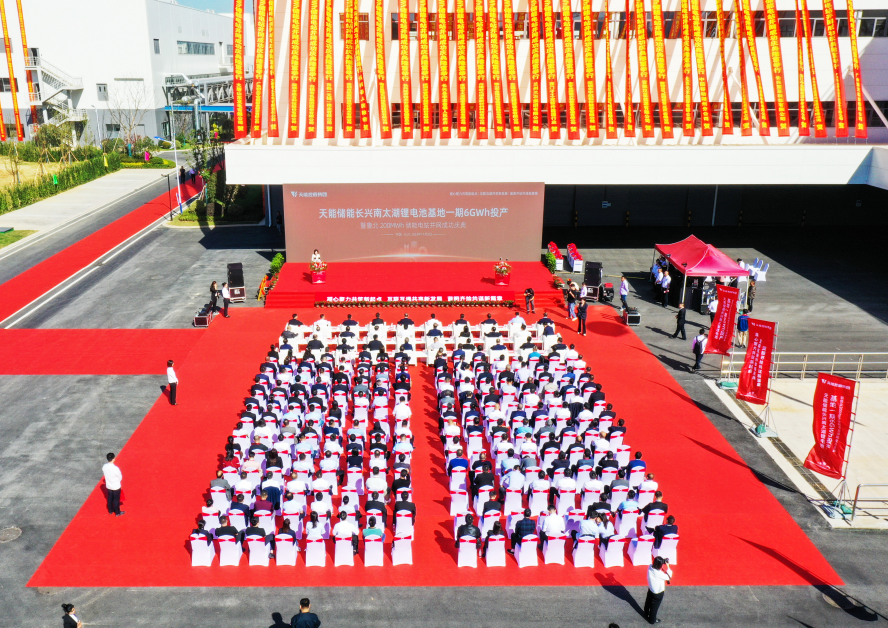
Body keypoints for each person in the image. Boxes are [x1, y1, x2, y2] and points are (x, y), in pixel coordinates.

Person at [644, 555, 673, 624]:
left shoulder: (650, 567)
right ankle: (652, 620)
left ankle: (646, 612)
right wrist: (668, 567)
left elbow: (657, 567)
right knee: (654, 607)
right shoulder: (659, 574)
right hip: (658, 592)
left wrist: (661, 563)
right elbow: (669, 577)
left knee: (648, 602)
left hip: (651, 589)